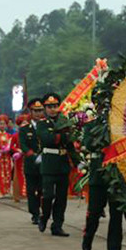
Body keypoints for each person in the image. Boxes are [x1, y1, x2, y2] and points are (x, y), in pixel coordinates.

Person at [80, 115, 126, 250]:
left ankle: (114, 249)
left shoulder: (123, 123)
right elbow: (88, 144)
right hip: (98, 174)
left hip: (117, 175)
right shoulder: (91, 125)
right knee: (94, 212)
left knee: (116, 214)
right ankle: (88, 238)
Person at [36, 93, 77, 237]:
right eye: (49, 107)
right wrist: (62, 134)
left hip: (63, 163)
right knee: (48, 195)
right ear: (45, 108)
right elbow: (47, 139)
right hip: (49, 164)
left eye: (55, 106)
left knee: (61, 197)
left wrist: (78, 162)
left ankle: (57, 225)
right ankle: (44, 216)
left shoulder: (65, 121)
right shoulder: (42, 123)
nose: (53, 109)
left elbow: (70, 142)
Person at [20, 99, 44, 224]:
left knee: (42, 189)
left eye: (40, 110)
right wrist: (34, 156)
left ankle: (43, 211)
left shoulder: (47, 125)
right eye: (35, 111)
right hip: (31, 164)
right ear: (31, 111)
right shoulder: (24, 129)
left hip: (45, 163)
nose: (38, 113)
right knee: (31, 190)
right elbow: (23, 145)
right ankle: (34, 213)